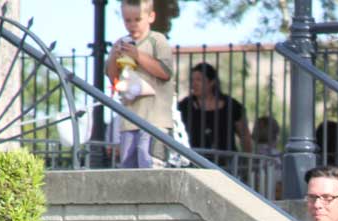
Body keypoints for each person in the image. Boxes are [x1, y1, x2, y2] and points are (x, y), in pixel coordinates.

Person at [105, 0, 174, 169]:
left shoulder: (157, 40)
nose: (132, 25)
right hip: (129, 121)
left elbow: (165, 72)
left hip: (155, 121)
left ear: (151, 17)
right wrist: (114, 56)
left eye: (137, 19)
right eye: (127, 20)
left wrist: (138, 55)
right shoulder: (121, 43)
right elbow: (112, 78)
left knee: (150, 164)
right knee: (129, 169)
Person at [177, 62, 253, 166]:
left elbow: (245, 137)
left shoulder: (232, 106)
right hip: (194, 163)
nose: (194, 84)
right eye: (192, 80)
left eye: (199, 80)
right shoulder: (184, 106)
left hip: (227, 165)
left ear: (211, 82)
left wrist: (248, 164)